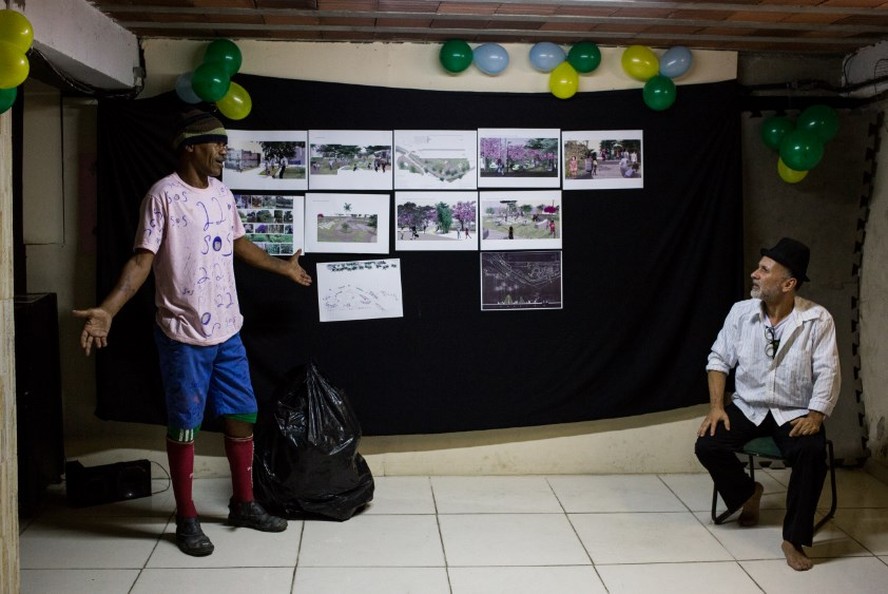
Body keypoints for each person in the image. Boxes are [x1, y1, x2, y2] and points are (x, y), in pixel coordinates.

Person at [73, 110, 313, 558]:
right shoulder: (162, 195)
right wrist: (107, 309)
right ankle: (186, 518)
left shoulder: (223, 194)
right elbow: (142, 261)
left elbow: (239, 243)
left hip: (229, 332)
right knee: (185, 426)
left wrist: (282, 267)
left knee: (243, 414)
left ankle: (244, 504)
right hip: (183, 333)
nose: (224, 150)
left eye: (224, 142)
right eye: (216, 143)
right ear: (189, 146)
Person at [695, 237, 840, 572]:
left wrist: (817, 414)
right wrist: (717, 406)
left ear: (788, 284)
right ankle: (748, 493)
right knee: (708, 444)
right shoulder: (741, 312)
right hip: (749, 405)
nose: (754, 274)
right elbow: (718, 360)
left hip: (794, 410)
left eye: (764, 270)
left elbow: (828, 370)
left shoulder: (817, 319)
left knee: (811, 453)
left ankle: (794, 539)